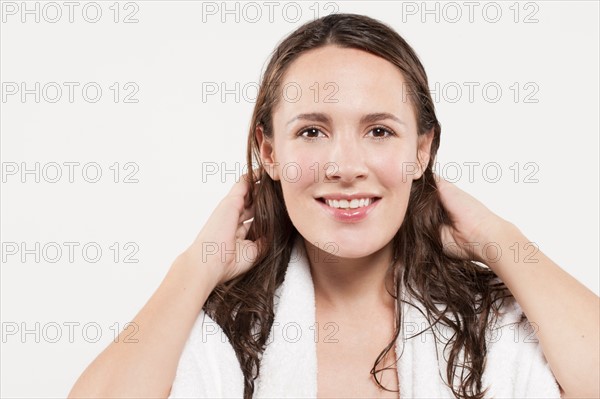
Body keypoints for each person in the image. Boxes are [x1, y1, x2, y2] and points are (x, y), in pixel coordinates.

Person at [68, 13, 599, 399]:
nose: (345, 166)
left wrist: (502, 243)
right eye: (313, 131)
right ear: (269, 152)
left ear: (422, 151)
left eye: (379, 130)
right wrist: (194, 269)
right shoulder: (220, 332)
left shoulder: (491, 324)